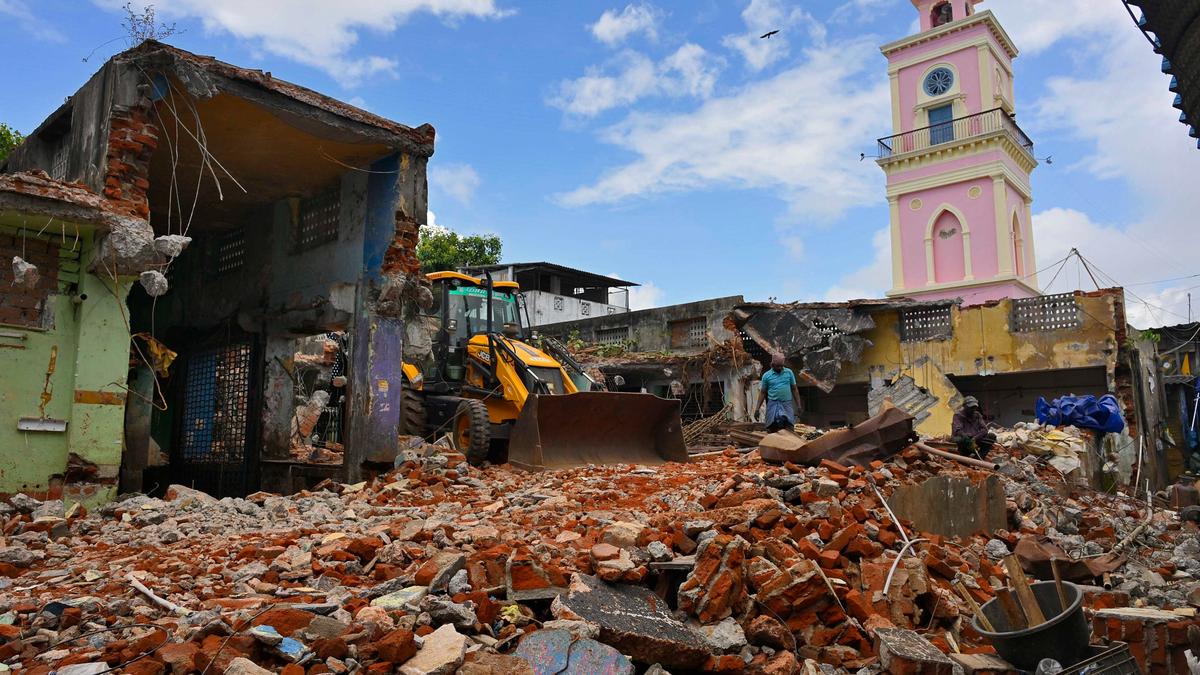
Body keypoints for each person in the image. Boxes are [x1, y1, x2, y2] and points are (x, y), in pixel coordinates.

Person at [755, 354, 801, 432]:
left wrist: (799, 405)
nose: (779, 368)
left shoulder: (789, 373)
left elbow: (794, 389)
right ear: (772, 365)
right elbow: (763, 392)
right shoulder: (766, 376)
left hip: (786, 404)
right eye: (777, 366)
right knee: (772, 428)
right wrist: (757, 409)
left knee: (789, 427)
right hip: (772, 405)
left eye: (781, 366)